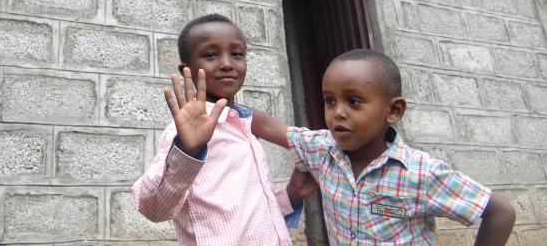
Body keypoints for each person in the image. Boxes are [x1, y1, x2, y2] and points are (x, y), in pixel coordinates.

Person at [251, 48, 516, 246]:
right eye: (330, 101)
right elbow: (266, 126)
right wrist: (217, 101)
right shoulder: (321, 150)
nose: (337, 113)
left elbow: (500, 213)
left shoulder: (421, 173)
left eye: (354, 102)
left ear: (393, 110)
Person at [132, 14, 318, 246]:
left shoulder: (244, 125)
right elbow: (154, 209)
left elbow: (246, 216)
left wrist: (292, 194)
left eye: (237, 54)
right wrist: (188, 151)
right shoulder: (185, 136)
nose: (227, 63)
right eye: (210, 55)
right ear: (186, 70)